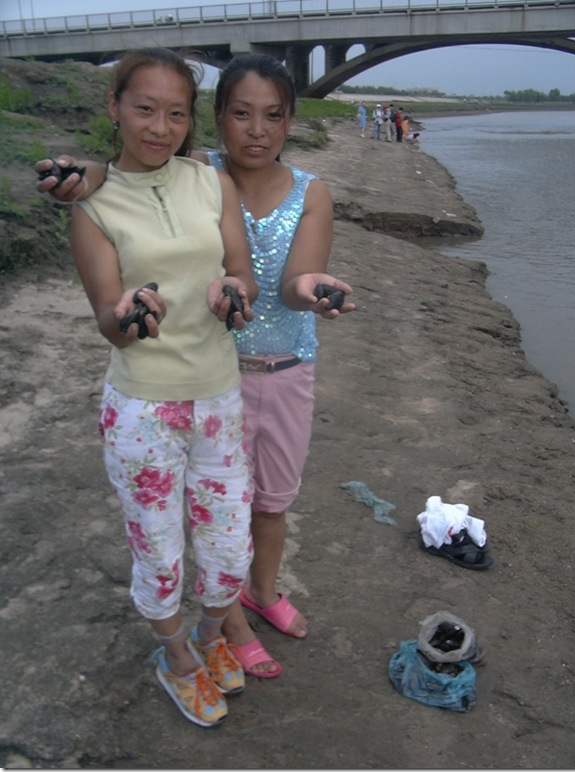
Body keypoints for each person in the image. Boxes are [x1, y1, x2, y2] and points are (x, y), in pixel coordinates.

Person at [37, 53, 355, 681]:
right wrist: (90, 180)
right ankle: (204, 640)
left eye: (272, 117)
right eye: (240, 114)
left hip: (257, 377)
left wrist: (285, 286)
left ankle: (245, 607)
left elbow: (273, 280)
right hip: (183, 387)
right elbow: (127, 181)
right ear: (217, 121)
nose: (256, 130)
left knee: (253, 517)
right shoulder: (153, 186)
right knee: (183, 531)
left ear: (290, 122)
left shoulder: (265, 187)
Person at [63, 47, 260, 729]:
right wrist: (131, 317)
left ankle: (212, 637)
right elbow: (108, 323)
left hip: (219, 397)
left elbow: (244, 272)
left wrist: (233, 291)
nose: (159, 126)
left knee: (230, 543)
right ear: (116, 107)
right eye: (144, 108)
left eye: (175, 113)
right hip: (144, 406)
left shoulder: (213, 183)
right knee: (159, 548)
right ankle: (176, 657)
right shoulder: (91, 203)